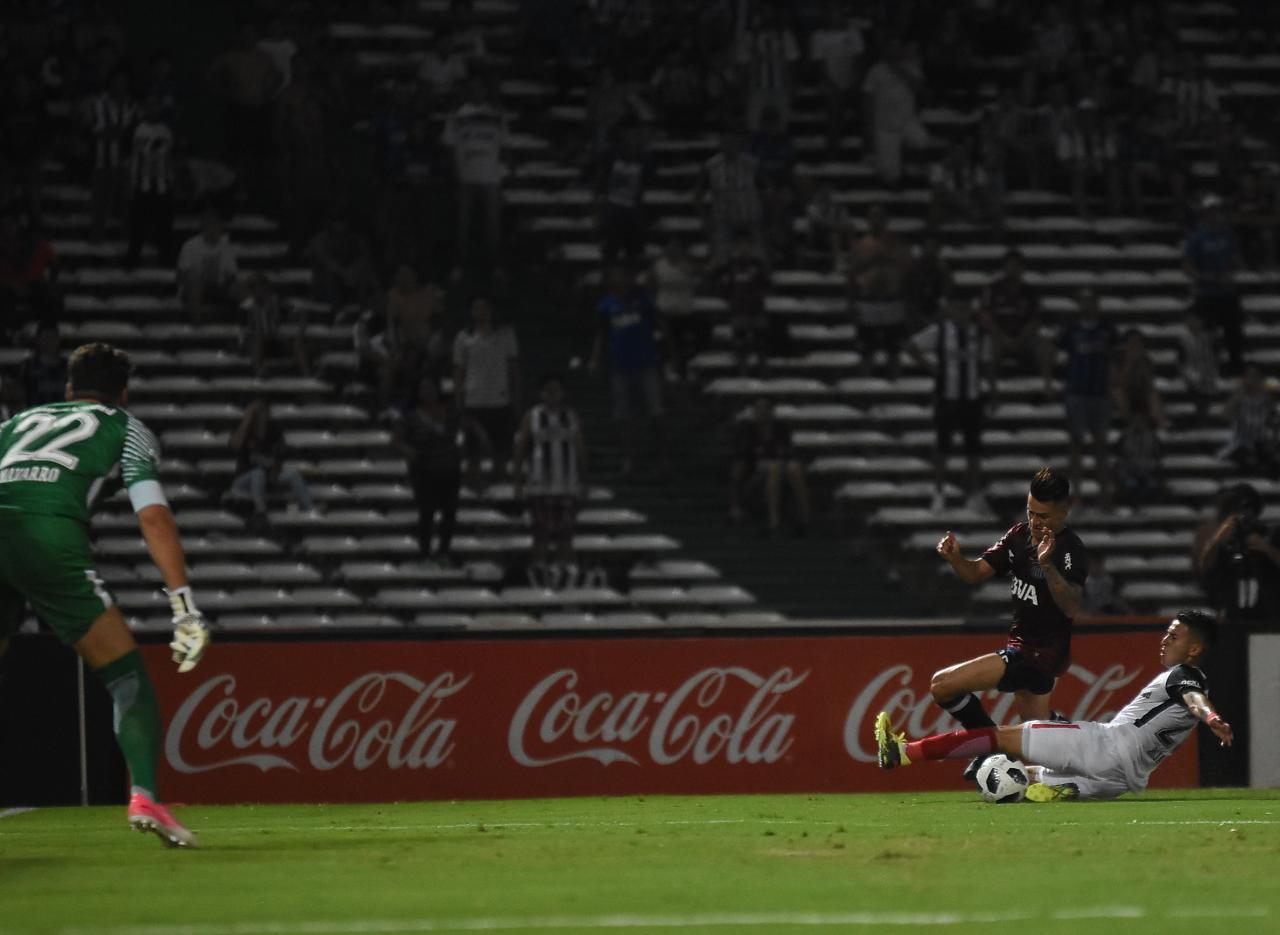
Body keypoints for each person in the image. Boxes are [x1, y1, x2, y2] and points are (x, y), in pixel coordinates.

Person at [0, 342, 209, 845]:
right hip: (45, 539)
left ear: (69, 388)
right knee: (127, 680)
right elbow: (153, 514)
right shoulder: (127, 428)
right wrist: (183, 605)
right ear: (124, 394)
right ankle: (145, 798)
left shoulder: (14, 424)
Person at [876, 613, 1233, 802]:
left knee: (997, 738)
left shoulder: (1184, 675)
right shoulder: (1191, 680)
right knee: (1022, 780)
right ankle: (1059, 789)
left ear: (1194, 650)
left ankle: (902, 753)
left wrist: (1212, 717)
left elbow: (1193, 699)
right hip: (1126, 781)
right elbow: (1193, 699)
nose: (1164, 640)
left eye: (1174, 635)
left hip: (1103, 746)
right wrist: (1210, 716)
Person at [932, 467, 1088, 778]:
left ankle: (992, 750)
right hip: (1021, 647)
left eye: (1043, 516)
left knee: (942, 685)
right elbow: (976, 573)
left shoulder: (1069, 549)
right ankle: (1044, 745)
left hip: (1041, 654)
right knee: (1032, 763)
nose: (1035, 522)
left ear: (1064, 511)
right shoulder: (1018, 536)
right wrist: (956, 560)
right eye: (1031, 512)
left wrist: (1048, 566)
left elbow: (1072, 607)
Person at [905, 289, 992, 512]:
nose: (961, 312)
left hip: (972, 398)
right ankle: (939, 493)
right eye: (957, 308)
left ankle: (972, 494)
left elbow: (986, 362)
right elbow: (912, 346)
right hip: (947, 398)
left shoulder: (979, 333)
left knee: (973, 450)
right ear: (950, 310)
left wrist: (990, 388)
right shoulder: (940, 331)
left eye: (965, 308)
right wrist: (931, 368)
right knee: (943, 448)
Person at [589, 265, 665, 477]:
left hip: (646, 363)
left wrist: (666, 356)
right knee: (624, 416)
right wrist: (595, 359)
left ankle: (659, 459)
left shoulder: (643, 302)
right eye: (616, 277)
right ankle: (628, 458)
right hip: (619, 366)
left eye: (624, 276)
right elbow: (601, 334)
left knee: (655, 413)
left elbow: (659, 326)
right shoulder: (605, 305)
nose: (621, 280)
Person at [514, 374, 588, 588]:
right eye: (549, 390)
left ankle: (565, 578)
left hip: (566, 486)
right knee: (541, 534)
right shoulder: (533, 416)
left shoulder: (571, 416)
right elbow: (520, 449)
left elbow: (580, 448)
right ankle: (539, 577)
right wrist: (518, 482)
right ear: (541, 393)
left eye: (557, 390)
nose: (553, 395)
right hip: (540, 487)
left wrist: (584, 481)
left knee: (566, 534)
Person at [442, 78, 508, 282]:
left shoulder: (497, 115)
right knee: (462, 225)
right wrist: (456, 173)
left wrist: (503, 172)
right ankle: (458, 266)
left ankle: (495, 266)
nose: (477, 92)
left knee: (493, 226)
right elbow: (449, 145)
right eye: (473, 88)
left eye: (480, 88)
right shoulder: (456, 115)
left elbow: (505, 145)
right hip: (466, 177)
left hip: (491, 178)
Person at [393, 376, 463, 567]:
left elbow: (462, 431)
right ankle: (424, 553)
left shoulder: (450, 413)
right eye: (423, 389)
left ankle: (444, 551)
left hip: (450, 468)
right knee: (427, 513)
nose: (428, 392)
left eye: (431, 388)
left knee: (449, 513)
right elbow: (397, 440)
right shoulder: (411, 416)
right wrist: (409, 451)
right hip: (424, 470)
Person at [453, 296, 520, 483]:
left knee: (501, 453)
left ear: (491, 310)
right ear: (471, 311)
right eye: (477, 307)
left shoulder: (506, 334)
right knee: (473, 455)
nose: (481, 311)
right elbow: (459, 373)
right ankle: (475, 497)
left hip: (500, 402)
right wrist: (460, 403)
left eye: (485, 307)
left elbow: (513, 369)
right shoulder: (463, 337)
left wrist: (516, 400)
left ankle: (501, 495)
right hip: (474, 402)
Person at [1195, 482, 1280, 624]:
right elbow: (1204, 571)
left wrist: (1264, 547)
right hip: (1232, 615)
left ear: (1253, 510)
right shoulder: (1224, 541)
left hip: (1269, 614)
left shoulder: (1271, 535)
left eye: (1242, 509)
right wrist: (1219, 539)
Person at [1060, 289, 1115, 506]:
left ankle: (1105, 496)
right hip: (1077, 392)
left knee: (1101, 446)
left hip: (1100, 393)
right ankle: (1076, 496)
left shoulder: (1107, 330)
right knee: (1076, 445)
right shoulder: (1070, 330)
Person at [729, 397, 811, 537]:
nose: (762, 412)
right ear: (754, 412)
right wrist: (735, 505)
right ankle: (774, 521)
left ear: (772, 411)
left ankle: (805, 518)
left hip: (780, 473)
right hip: (754, 480)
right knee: (774, 468)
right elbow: (739, 467)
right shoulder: (747, 432)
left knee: (795, 468)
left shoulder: (782, 430)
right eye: (759, 409)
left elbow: (789, 454)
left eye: (766, 408)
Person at [226, 399, 315, 527]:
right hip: (243, 480)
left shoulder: (275, 432)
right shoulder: (245, 431)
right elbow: (233, 446)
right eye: (257, 413)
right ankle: (260, 512)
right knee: (258, 473)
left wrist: (275, 472)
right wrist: (246, 422)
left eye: (263, 412)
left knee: (293, 474)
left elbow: (280, 457)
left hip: (267, 477)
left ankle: (310, 509)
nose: (261, 417)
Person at [1184, 194, 1244, 376]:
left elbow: (1237, 260)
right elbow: (1187, 265)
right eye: (1210, 212)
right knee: (1207, 335)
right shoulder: (1196, 238)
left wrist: (1230, 273)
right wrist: (1204, 277)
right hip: (1206, 294)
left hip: (1227, 292)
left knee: (1233, 332)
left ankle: (1235, 367)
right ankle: (1209, 367)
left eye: (1217, 211)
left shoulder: (1229, 235)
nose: (1214, 215)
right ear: (1203, 214)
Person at [849, 204, 911, 379]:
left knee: (894, 351)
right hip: (868, 303)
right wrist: (850, 303)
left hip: (893, 302)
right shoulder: (860, 245)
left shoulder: (898, 244)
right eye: (872, 217)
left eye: (880, 217)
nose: (876, 221)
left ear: (886, 220)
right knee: (867, 351)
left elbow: (907, 272)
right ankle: (866, 389)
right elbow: (852, 274)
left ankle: (897, 387)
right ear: (867, 221)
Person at [979, 250, 1054, 394]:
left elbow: (1035, 320)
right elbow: (985, 317)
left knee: (1047, 347)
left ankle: (1048, 385)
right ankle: (991, 391)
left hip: (1024, 338)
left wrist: (1020, 339)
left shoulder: (1030, 291)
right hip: (999, 338)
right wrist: (1003, 338)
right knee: (988, 349)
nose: (1011, 269)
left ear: (1022, 268)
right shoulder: (992, 289)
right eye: (1008, 265)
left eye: (1015, 265)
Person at [861, 39, 929, 187]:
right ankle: (893, 168)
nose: (894, 51)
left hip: (907, 122)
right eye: (890, 47)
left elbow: (920, 89)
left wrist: (898, 69)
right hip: (884, 127)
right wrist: (869, 130)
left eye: (897, 47)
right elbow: (868, 100)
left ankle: (908, 164)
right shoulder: (875, 71)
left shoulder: (912, 67)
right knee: (890, 176)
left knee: (921, 140)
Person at [176, 209, 239, 323]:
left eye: (217, 225)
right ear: (204, 227)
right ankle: (197, 321)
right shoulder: (190, 245)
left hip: (218, 286)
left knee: (240, 288)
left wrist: (226, 280)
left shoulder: (226, 247)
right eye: (211, 225)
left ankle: (239, 322)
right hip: (194, 288)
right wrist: (197, 278)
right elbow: (181, 276)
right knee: (196, 285)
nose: (214, 229)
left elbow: (232, 275)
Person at [1221, 366, 1278, 477]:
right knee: (1248, 459)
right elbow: (1225, 416)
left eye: (1256, 377)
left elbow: (1273, 421)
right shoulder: (1238, 398)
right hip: (1241, 442)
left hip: (1261, 441)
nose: (1253, 380)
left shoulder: (1267, 399)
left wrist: (1273, 439)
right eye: (1250, 377)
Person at [18, 320, 69, 408]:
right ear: (38, 340)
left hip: (63, 415)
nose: (49, 342)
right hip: (36, 415)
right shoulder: (28, 367)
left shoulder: (68, 366)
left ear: (58, 340)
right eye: (45, 338)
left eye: (52, 337)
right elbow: (21, 395)